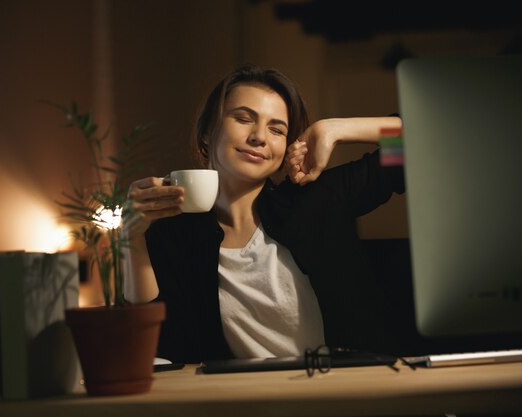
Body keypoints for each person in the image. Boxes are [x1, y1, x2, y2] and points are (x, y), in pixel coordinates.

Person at [122, 64, 404, 363]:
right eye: (243, 119)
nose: (259, 137)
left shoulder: (319, 199)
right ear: (206, 132)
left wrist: (334, 128)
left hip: (358, 389)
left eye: (277, 129)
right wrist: (132, 236)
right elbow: (154, 348)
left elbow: (425, 140)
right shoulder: (174, 234)